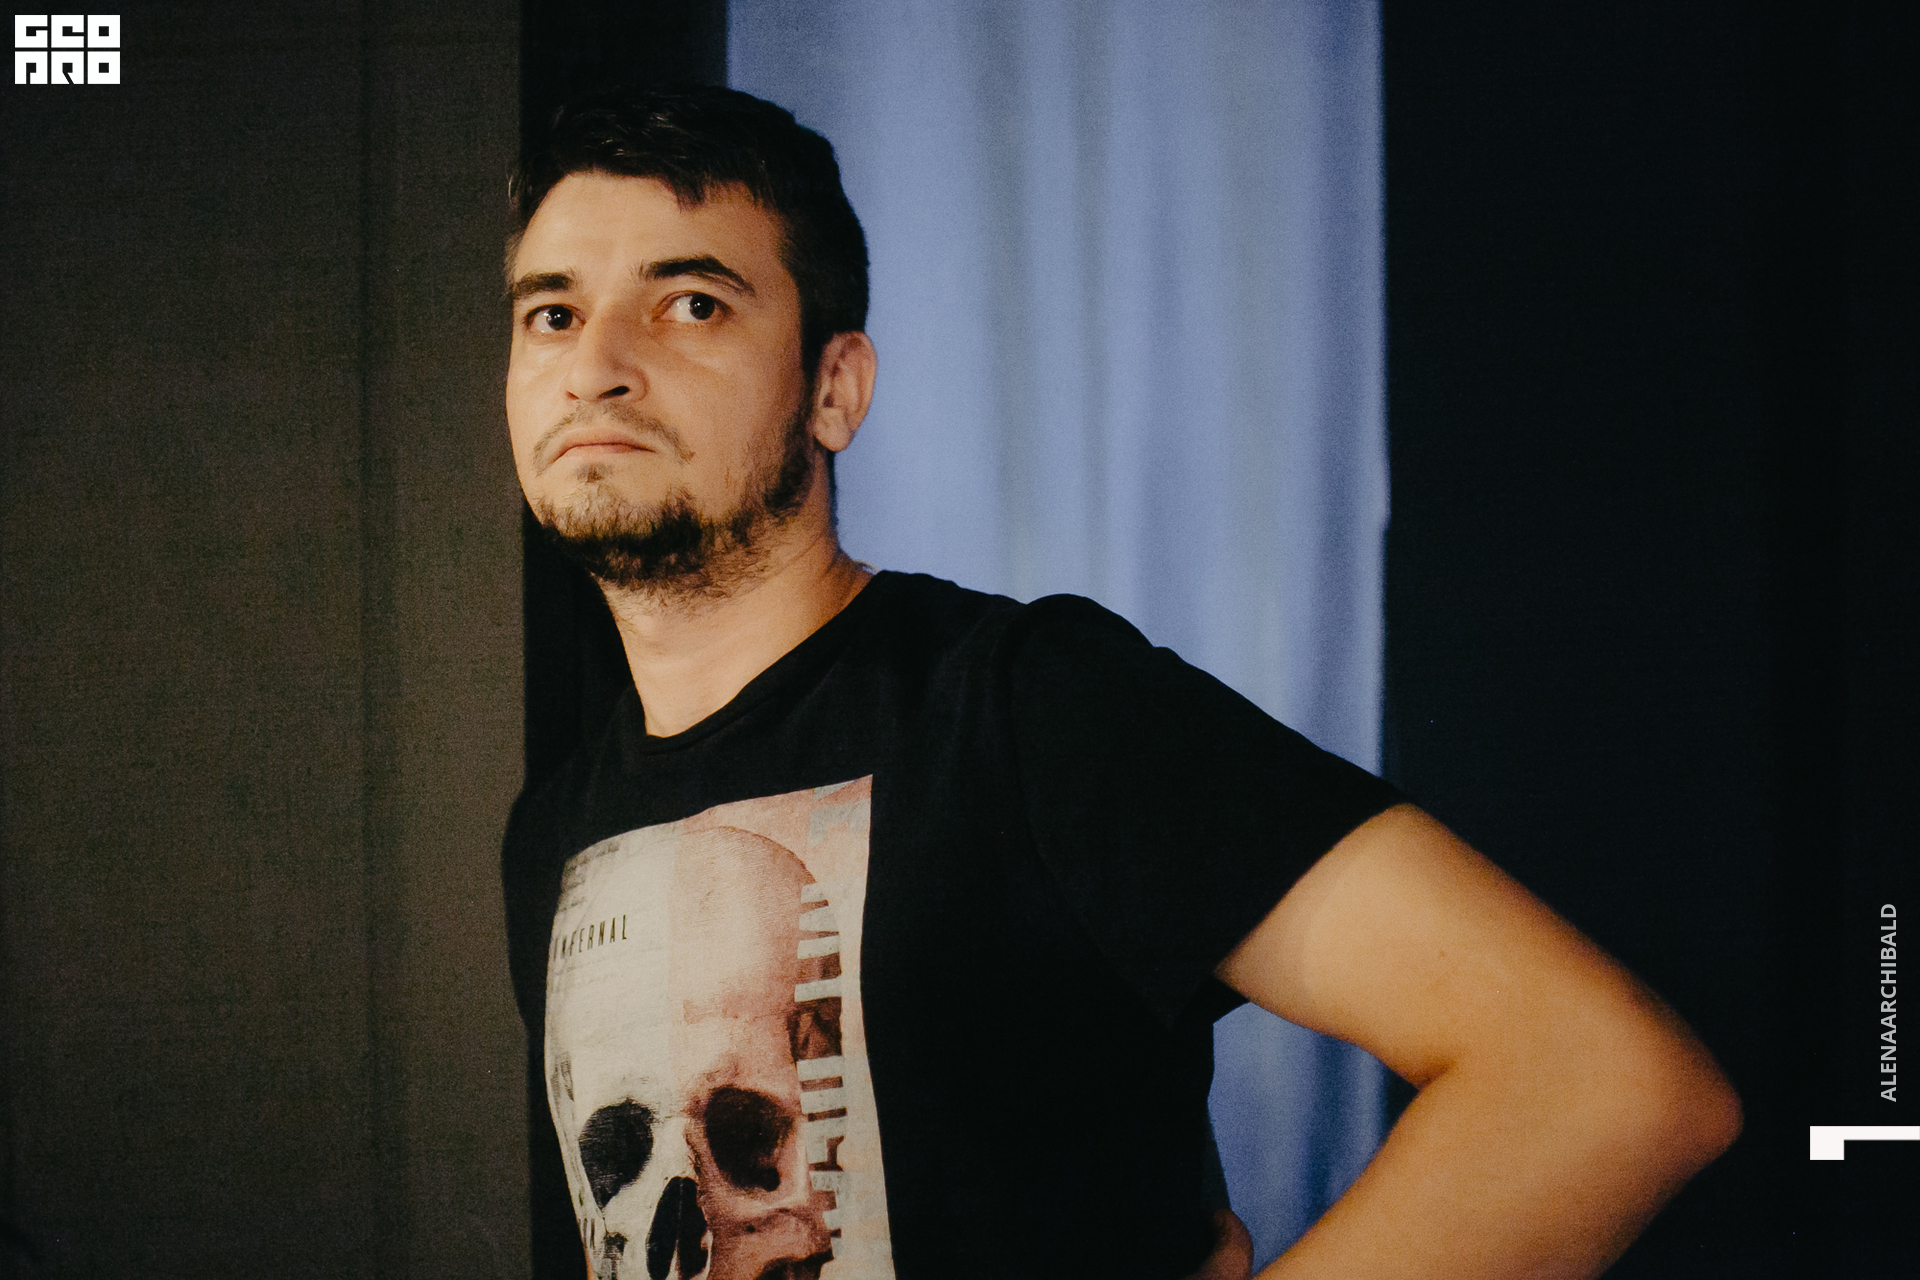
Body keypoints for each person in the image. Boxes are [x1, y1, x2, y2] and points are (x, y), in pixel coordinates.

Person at [500, 85, 1740, 1280]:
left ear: (835, 388)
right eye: (551, 313)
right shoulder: (556, 834)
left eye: (692, 305)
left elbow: (1599, 1080)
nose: (595, 363)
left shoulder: (1030, 707)